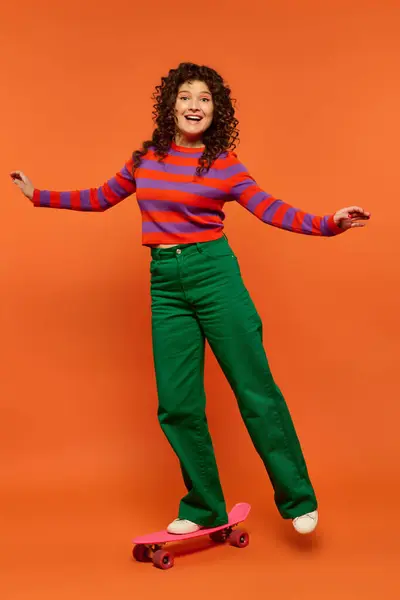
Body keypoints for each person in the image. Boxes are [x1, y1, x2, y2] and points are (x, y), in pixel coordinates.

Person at [11, 62, 370, 536]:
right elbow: (100, 197)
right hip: (165, 282)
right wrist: (39, 195)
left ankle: (298, 498)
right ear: (171, 105)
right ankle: (204, 508)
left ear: (215, 110)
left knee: (255, 391)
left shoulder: (223, 164)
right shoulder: (146, 160)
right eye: (185, 97)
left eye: (204, 98)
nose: (194, 105)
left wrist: (328, 223)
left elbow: (270, 209)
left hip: (215, 275)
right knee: (177, 403)